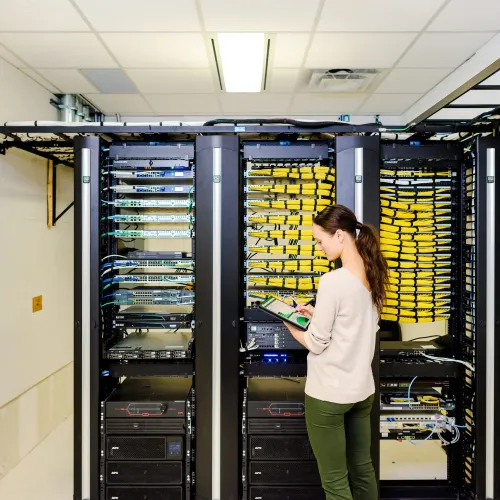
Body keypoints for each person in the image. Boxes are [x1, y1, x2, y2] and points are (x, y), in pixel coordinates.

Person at [283, 204, 388, 500]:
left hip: (328, 395)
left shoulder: (333, 281)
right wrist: (318, 312)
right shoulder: (373, 273)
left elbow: (316, 343)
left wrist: (291, 325)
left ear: (340, 236)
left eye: (320, 240)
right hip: (361, 392)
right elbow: (355, 322)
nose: (319, 247)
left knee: (335, 482)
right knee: (362, 469)